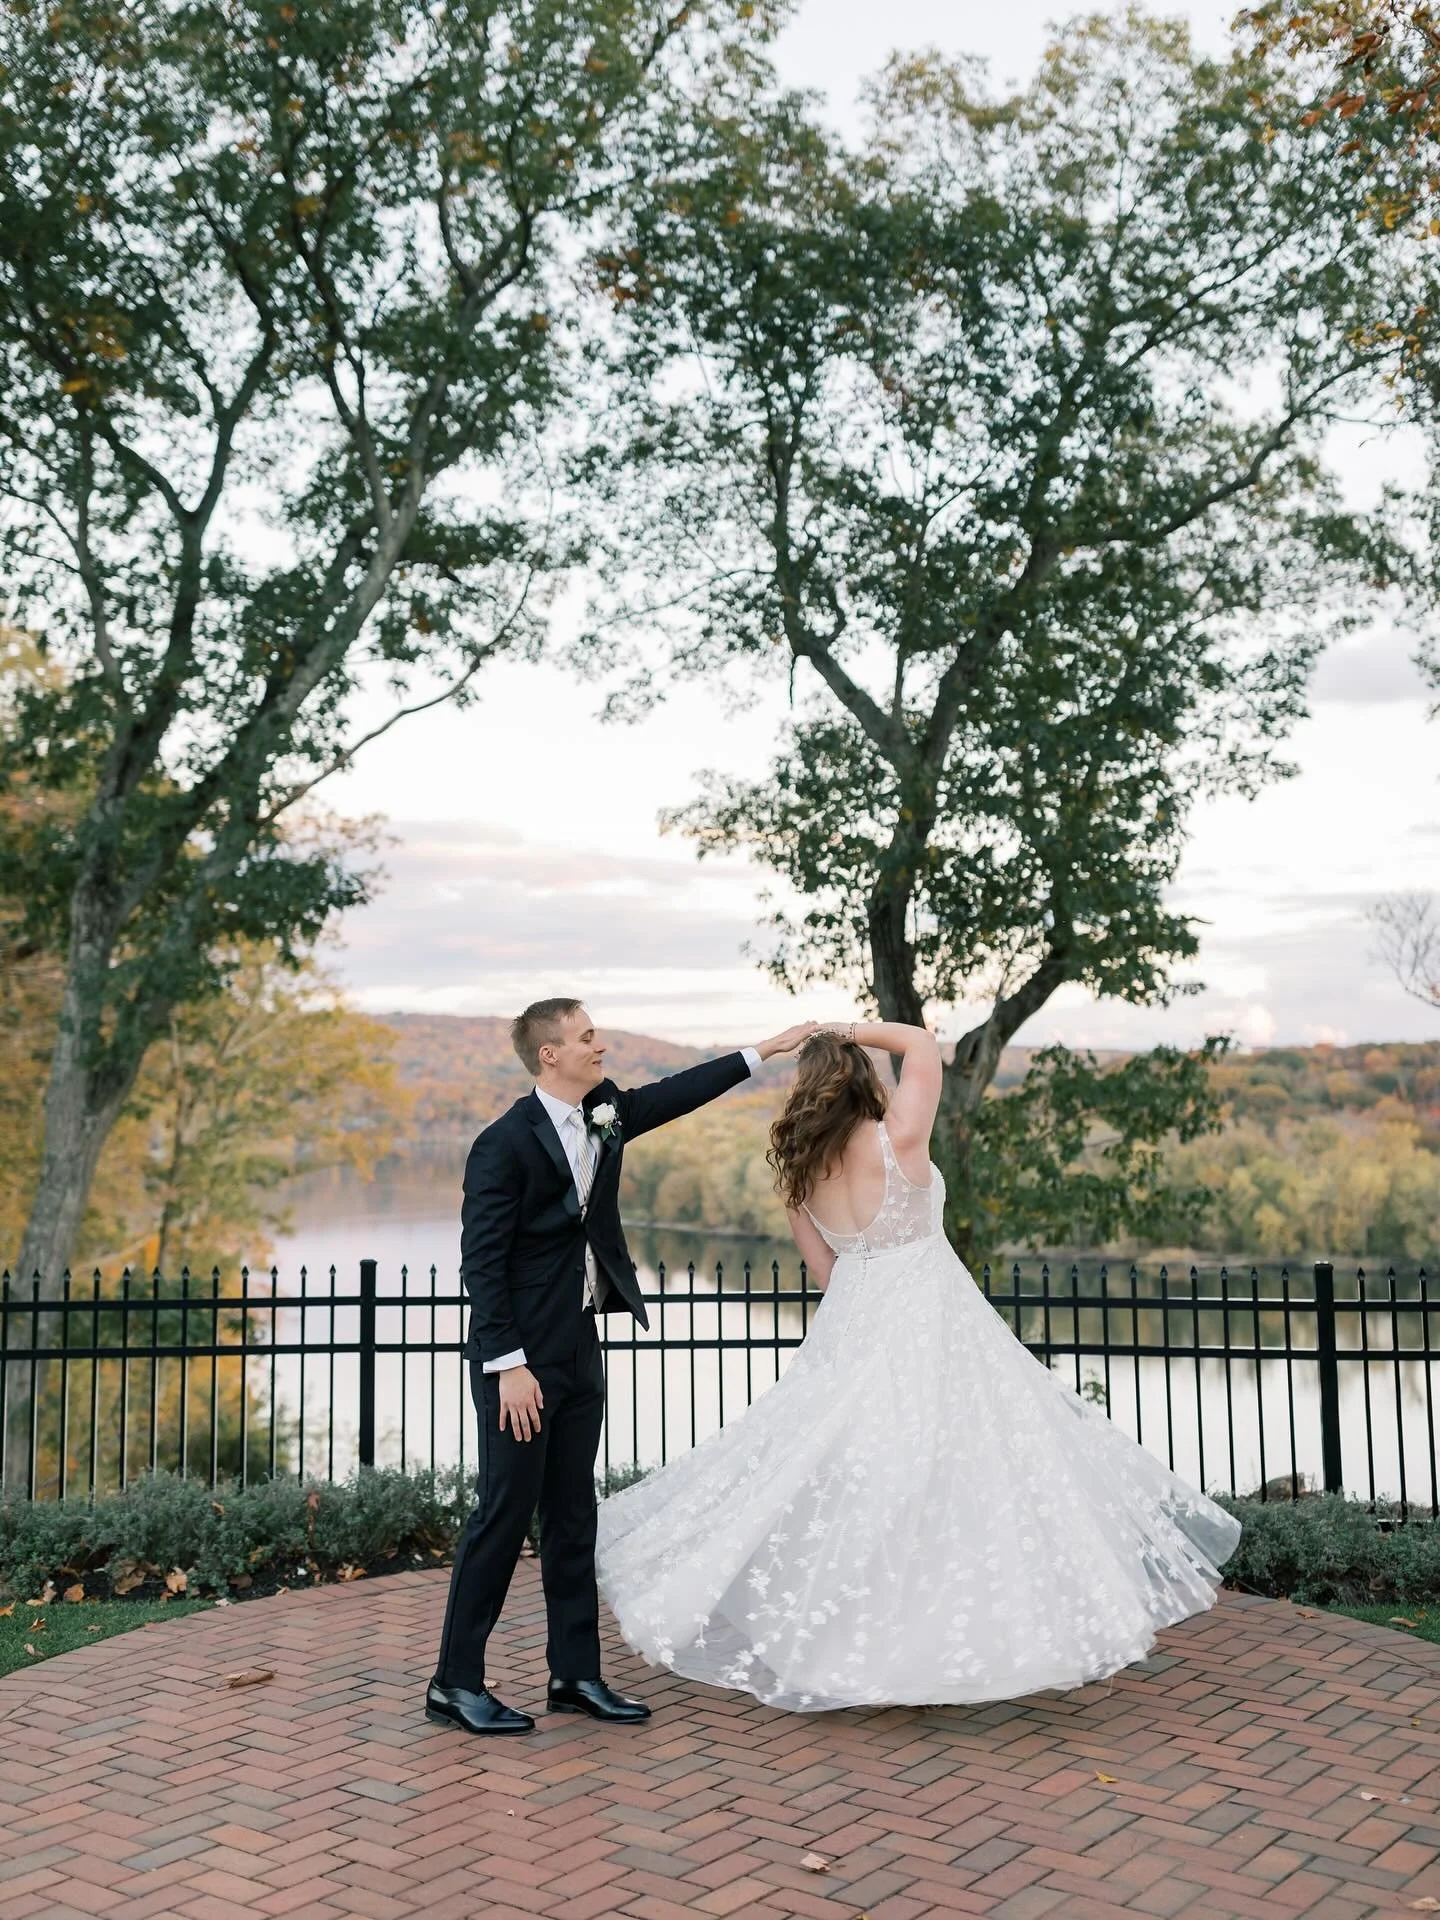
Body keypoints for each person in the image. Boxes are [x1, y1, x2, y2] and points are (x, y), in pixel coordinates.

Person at [596, 1020, 1241, 1712]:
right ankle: (960, 1639)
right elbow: (923, 1047)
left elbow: (824, 1269)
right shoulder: (896, 1137)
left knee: (865, 1480)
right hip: (932, 1320)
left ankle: (858, 1643)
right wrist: (847, 1027)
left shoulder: (799, 1169)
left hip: (854, 1322)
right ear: (861, 1080)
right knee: (965, 1470)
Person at [426, 997, 817, 1736]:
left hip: (578, 1344)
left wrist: (765, 1049)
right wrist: (508, 1365)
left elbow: (673, 1095)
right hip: (519, 1363)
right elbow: (482, 1264)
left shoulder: (604, 1112)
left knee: (575, 1514)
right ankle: (454, 1682)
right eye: (586, 1037)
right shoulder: (501, 1144)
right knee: (502, 1517)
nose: (599, 1046)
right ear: (550, 1054)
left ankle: (575, 1675)